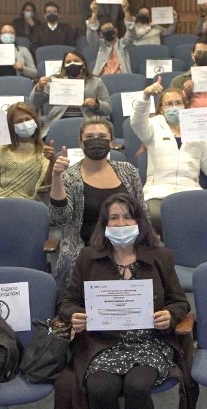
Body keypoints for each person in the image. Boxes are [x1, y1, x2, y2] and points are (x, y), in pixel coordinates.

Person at [55, 193, 194, 409]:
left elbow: (179, 301)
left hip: (150, 341)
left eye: (126, 217)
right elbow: (68, 301)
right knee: (100, 387)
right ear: (104, 225)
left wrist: (169, 316)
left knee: (136, 385)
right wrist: (72, 314)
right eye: (113, 218)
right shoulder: (89, 258)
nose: (120, 224)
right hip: (104, 341)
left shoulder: (160, 256)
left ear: (139, 222)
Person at [48, 116, 145, 289]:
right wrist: (56, 177)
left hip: (128, 249)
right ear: (81, 142)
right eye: (90, 137)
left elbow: (142, 213)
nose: (96, 141)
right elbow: (59, 219)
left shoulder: (128, 170)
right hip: (85, 253)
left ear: (111, 141)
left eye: (101, 137)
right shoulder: (69, 176)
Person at [134, 79, 207, 233]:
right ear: (161, 108)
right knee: (158, 216)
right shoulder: (153, 126)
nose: (174, 107)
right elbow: (137, 122)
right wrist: (145, 96)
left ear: (185, 106)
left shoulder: (197, 128)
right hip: (158, 193)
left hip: (190, 191)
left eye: (178, 103)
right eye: (169, 104)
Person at [28, 50, 110, 131]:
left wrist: (96, 103)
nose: (72, 64)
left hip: (88, 122)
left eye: (76, 61)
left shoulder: (96, 82)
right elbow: (36, 102)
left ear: (84, 64)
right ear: (64, 66)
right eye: (68, 62)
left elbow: (108, 108)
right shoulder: (55, 80)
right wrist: (39, 87)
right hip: (58, 120)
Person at [87, 0, 135, 76]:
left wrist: (126, 11)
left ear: (115, 31)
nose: (108, 31)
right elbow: (90, 33)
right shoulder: (99, 45)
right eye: (105, 30)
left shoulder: (123, 43)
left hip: (122, 79)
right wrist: (94, 13)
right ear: (101, 34)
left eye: (109, 29)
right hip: (103, 80)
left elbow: (131, 30)